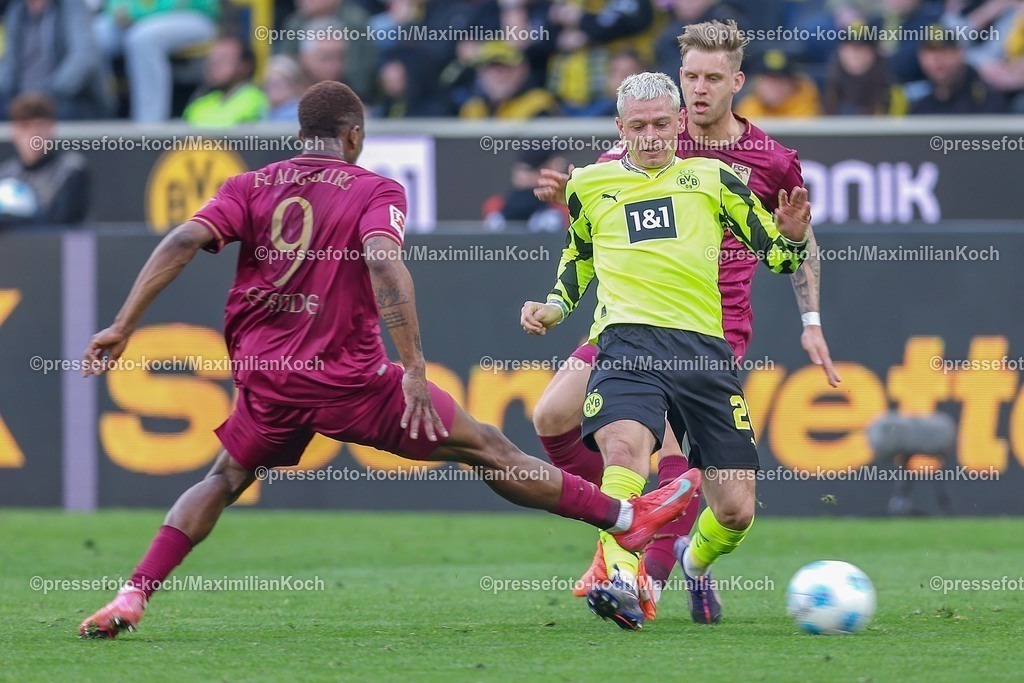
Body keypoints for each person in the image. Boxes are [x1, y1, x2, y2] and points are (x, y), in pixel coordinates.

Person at [76, 81, 700, 639]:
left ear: (300, 133)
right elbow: (381, 260)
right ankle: (625, 517)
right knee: (487, 448)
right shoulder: (374, 189)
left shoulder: (250, 185)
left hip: (267, 381)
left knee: (223, 479)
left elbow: (185, 238)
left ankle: (133, 594)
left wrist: (122, 325)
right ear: (354, 136)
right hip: (351, 381)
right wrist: (415, 370)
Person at [529, 19, 838, 626]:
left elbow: (797, 239)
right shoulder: (640, 141)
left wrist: (811, 318)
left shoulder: (767, 162)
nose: (699, 89)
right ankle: (629, 526)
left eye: (712, 78)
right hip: (630, 318)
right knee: (554, 416)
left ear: (736, 82)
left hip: (714, 324)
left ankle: (660, 565)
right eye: (690, 76)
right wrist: (571, 204)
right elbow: (597, 220)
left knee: (718, 492)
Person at [93, 0, 219, 122]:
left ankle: (150, 125)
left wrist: (137, 13)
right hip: (140, 17)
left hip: (194, 14)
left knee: (142, 39)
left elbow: (182, 4)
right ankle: (99, 117)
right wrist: (119, 10)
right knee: (96, 33)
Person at [0, 0, 112, 120]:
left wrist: (49, 92)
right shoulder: (16, 11)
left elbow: (85, 57)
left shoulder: (71, 6)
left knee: (67, 110)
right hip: (21, 98)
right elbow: (9, 63)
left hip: (62, 97)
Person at [0, 93, 89, 226]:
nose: (33, 135)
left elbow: (60, 222)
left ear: (51, 129)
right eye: (25, 127)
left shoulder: (70, 170)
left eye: (40, 126)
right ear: (14, 132)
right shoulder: (5, 175)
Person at [183, 36, 269, 126]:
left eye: (223, 59)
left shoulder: (256, 100)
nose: (213, 65)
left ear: (244, 65)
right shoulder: (199, 103)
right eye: (211, 59)